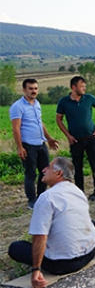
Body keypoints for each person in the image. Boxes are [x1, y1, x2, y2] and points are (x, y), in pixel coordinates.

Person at [7, 157, 95, 288]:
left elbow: (40, 235)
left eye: (48, 167)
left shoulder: (47, 197)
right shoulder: (78, 191)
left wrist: (36, 270)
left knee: (15, 248)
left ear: (59, 173)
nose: (44, 170)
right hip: (90, 252)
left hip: (63, 264)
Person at [10, 78, 60, 209]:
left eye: (35, 88)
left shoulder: (37, 104)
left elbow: (40, 123)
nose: (34, 91)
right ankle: (32, 200)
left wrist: (49, 138)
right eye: (31, 89)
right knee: (31, 174)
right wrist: (20, 147)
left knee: (45, 172)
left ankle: (42, 196)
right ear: (24, 90)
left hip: (41, 143)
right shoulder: (17, 107)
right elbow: (16, 128)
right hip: (28, 145)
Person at [56, 76, 95, 201]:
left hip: (91, 138)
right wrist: (68, 136)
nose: (84, 88)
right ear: (74, 87)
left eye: (84, 86)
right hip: (75, 140)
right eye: (81, 86)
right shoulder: (63, 102)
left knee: (94, 164)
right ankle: (79, 193)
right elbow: (58, 119)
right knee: (77, 167)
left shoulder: (89, 98)